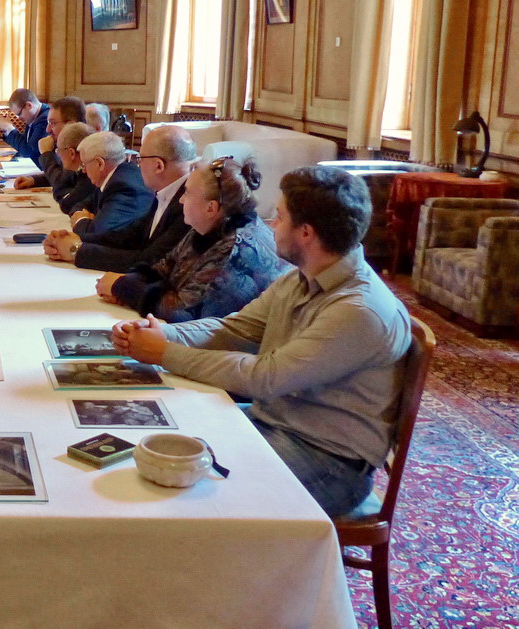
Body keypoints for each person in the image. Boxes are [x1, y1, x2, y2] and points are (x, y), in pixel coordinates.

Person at [111, 167, 411, 517]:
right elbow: (235, 329)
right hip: (277, 423)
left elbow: (264, 378)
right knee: (156, 433)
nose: (270, 224)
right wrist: (164, 334)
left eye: (279, 217)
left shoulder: (359, 310)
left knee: (185, 498)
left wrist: (165, 353)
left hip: (329, 461)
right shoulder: (301, 278)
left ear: (306, 233)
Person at [98, 157, 289, 321]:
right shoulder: (209, 225)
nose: (181, 200)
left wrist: (123, 287)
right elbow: (165, 267)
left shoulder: (237, 248)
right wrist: (131, 282)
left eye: (187, 193)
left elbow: (184, 313)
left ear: (211, 208)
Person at [45, 124, 196, 271]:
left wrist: (76, 250)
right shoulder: (166, 192)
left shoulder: (189, 203)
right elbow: (130, 236)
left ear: (158, 166)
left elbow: (151, 261)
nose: (138, 165)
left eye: (140, 158)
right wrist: (76, 240)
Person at [47, 131, 153, 246]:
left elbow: (99, 234)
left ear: (99, 163)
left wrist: (80, 221)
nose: (83, 170)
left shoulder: (123, 186)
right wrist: (83, 216)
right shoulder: (112, 177)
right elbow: (79, 205)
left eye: (84, 165)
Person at [13, 96, 86, 194]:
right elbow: (63, 176)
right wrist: (34, 180)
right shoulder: (68, 145)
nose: (47, 129)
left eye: (52, 123)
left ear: (70, 125)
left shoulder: (86, 151)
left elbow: (62, 185)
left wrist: (46, 154)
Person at [0, 88, 49, 168]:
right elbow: (24, 143)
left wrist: (9, 128)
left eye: (19, 114)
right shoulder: (33, 117)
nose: (18, 118)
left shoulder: (45, 119)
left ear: (29, 105)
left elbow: (29, 152)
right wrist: (8, 129)